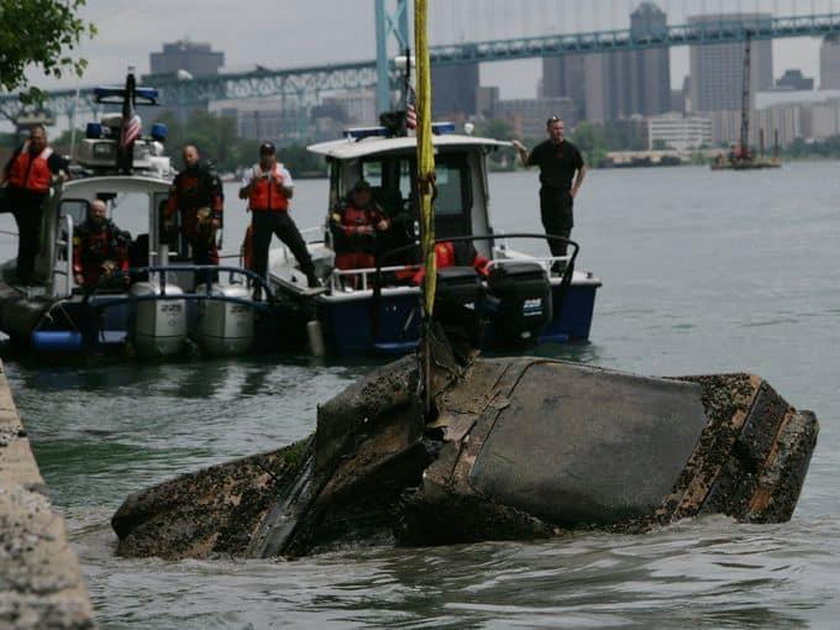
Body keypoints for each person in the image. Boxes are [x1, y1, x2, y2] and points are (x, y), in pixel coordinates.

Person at [239, 141, 319, 289]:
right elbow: (242, 194)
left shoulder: (283, 172)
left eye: (270, 154)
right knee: (260, 253)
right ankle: (258, 287)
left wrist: (279, 185)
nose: (267, 158)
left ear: (274, 156)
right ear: (261, 156)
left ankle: (311, 277)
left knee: (298, 244)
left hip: (280, 215)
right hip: (261, 216)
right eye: (264, 155)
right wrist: (254, 183)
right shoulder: (251, 173)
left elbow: (290, 194)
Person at [511, 115, 586, 269]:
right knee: (549, 228)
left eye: (561, 128)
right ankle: (559, 261)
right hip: (547, 194)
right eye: (555, 128)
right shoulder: (542, 148)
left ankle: (561, 263)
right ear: (548, 130)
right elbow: (527, 163)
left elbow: (582, 168)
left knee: (564, 228)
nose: (559, 131)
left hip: (564, 194)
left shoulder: (571, 149)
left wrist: (575, 190)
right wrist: (522, 150)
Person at [0, 125, 69, 284]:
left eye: (39, 138)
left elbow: (66, 175)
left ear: (45, 139)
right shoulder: (21, 150)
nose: (35, 141)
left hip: (32, 201)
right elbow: (7, 169)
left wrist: (59, 178)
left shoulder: (52, 158)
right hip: (12, 193)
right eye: (33, 137)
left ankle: (24, 277)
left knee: (29, 240)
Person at [165, 144, 224, 268]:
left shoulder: (207, 175)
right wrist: (168, 218)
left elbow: (217, 197)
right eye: (185, 157)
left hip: (206, 220)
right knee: (196, 252)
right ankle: (199, 280)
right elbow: (173, 200)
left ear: (197, 156)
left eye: (190, 156)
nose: (188, 159)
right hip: (189, 220)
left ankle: (212, 279)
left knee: (209, 252)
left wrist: (217, 217)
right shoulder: (180, 179)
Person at [329, 180, 390, 287]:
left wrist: (385, 223)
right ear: (354, 195)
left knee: (370, 280)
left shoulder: (372, 207)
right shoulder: (342, 207)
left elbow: (386, 219)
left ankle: (370, 289)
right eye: (361, 197)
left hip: (366, 251)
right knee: (347, 281)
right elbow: (335, 226)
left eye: (366, 198)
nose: (364, 200)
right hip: (346, 251)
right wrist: (355, 230)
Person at [72, 199, 130, 290]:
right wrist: (77, 273)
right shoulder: (81, 231)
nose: (97, 214)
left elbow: (122, 253)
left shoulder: (112, 229)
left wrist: (125, 273)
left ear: (105, 213)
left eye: (100, 211)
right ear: (90, 212)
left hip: (107, 266)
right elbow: (76, 253)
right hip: (88, 268)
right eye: (95, 211)